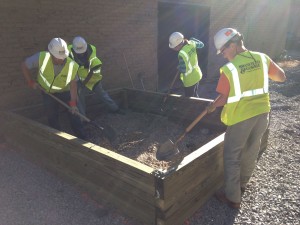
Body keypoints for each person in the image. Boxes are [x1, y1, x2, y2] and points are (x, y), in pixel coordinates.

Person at [206, 28, 286, 209]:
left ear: (232, 45)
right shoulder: (262, 58)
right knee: (252, 149)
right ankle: (242, 184)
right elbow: (281, 77)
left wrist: (212, 106)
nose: (223, 55)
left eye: (224, 51)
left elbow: (223, 98)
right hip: (263, 114)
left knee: (232, 155)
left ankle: (233, 198)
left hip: (242, 118)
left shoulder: (230, 68)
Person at [21, 37, 87, 140]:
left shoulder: (71, 65)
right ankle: (57, 139)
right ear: (51, 53)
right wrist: (30, 81)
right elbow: (24, 65)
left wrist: (73, 103)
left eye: (63, 57)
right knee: (51, 116)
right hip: (47, 93)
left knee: (74, 114)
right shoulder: (42, 57)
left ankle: (82, 137)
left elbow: (73, 84)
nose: (61, 59)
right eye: (57, 57)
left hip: (65, 91)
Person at [68, 36, 123, 116]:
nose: (81, 53)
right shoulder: (69, 51)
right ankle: (82, 118)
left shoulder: (91, 50)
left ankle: (114, 109)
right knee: (80, 99)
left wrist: (85, 83)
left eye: (83, 51)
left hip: (92, 78)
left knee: (102, 94)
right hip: (78, 79)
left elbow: (92, 70)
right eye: (79, 52)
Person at [168, 32, 204, 97]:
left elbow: (183, 69)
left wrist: (179, 67)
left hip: (190, 80)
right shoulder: (192, 43)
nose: (173, 49)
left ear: (178, 45)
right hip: (197, 75)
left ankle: (193, 106)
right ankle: (198, 105)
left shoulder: (182, 54)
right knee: (195, 94)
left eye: (174, 47)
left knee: (189, 98)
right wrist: (193, 39)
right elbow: (201, 45)